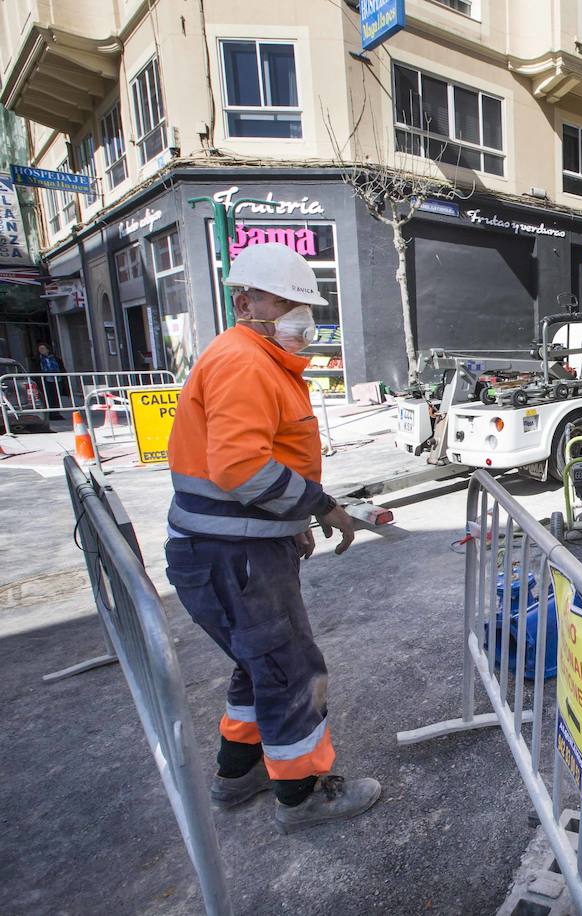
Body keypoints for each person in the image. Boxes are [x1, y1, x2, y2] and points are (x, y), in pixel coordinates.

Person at [163, 243, 380, 834]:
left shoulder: (257, 358)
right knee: (289, 671)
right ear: (246, 301)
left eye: (302, 303)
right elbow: (241, 468)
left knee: (257, 665)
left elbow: (250, 471)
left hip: (233, 549)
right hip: (233, 556)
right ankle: (302, 795)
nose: (298, 315)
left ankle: (238, 776)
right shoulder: (246, 361)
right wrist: (323, 508)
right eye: (283, 301)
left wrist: (289, 526)